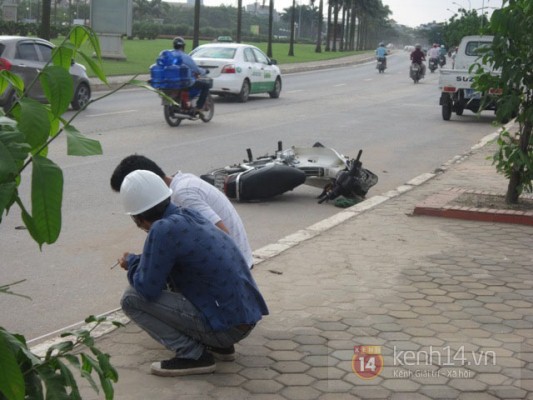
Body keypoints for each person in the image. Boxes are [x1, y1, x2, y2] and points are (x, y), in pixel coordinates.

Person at [116, 170, 269, 376]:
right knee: (175, 274)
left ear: (138, 218)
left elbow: (147, 288)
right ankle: (220, 346)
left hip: (226, 328)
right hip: (242, 319)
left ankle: (193, 355)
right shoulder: (188, 215)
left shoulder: (162, 229)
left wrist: (132, 262)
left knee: (131, 299)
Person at [110, 154, 254, 270]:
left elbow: (223, 239)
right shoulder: (182, 180)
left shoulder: (182, 195)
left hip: (235, 265)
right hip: (238, 259)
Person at [171, 36, 210, 113]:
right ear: (183, 46)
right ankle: (199, 107)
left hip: (169, 82)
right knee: (206, 86)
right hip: (184, 82)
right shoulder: (185, 57)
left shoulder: (169, 55)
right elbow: (196, 69)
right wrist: (205, 71)